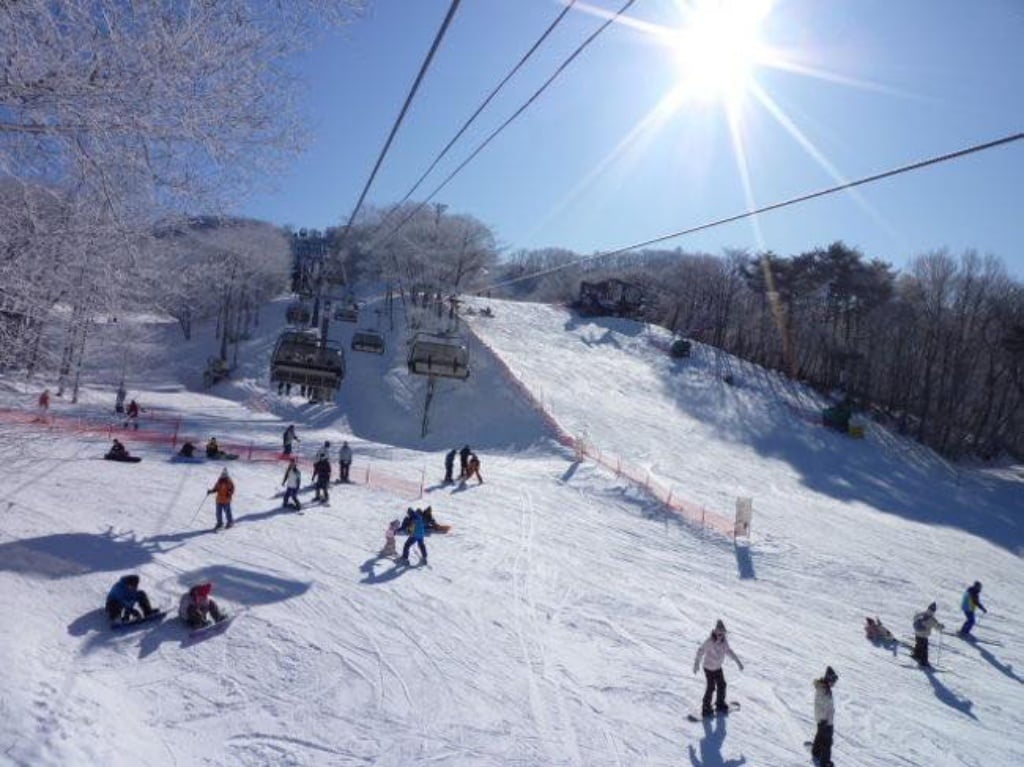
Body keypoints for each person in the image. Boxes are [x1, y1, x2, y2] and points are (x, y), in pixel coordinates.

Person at [693, 619, 744, 717]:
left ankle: (720, 703)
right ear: (715, 631)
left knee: (722, 685)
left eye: (723, 633)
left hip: (717, 667)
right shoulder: (710, 641)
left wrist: (738, 662)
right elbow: (701, 651)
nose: (721, 635)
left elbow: (729, 651)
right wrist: (696, 664)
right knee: (711, 687)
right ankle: (706, 707)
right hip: (708, 668)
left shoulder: (724, 641)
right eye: (719, 633)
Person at [811, 666, 838, 767]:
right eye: (833, 681)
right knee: (827, 742)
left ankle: (816, 752)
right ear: (828, 679)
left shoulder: (825, 688)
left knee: (820, 737)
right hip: (825, 721)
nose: (834, 684)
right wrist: (824, 721)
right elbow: (820, 706)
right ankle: (825, 763)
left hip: (824, 720)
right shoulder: (823, 690)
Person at [911, 602, 944, 668]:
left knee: (918, 644)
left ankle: (916, 654)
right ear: (934, 611)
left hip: (917, 633)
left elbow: (914, 617)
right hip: (924, 636)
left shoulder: (921, 614)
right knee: (924, 649)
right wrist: (941, 627)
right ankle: (924, 662)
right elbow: (937, 626)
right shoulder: (932, 619)